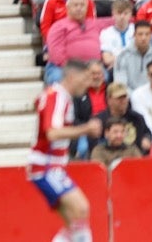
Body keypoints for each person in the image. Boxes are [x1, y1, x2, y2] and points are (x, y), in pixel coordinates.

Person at [27, 61, 101, 241]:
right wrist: (86, 129)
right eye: (84, 79)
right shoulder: (58, 96)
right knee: (81, 208)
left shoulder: (57, 95)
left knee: (74, 222)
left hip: (50, 166)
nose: (87, 84)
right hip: (46, 166)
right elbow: (52, 132)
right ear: (72, 77)